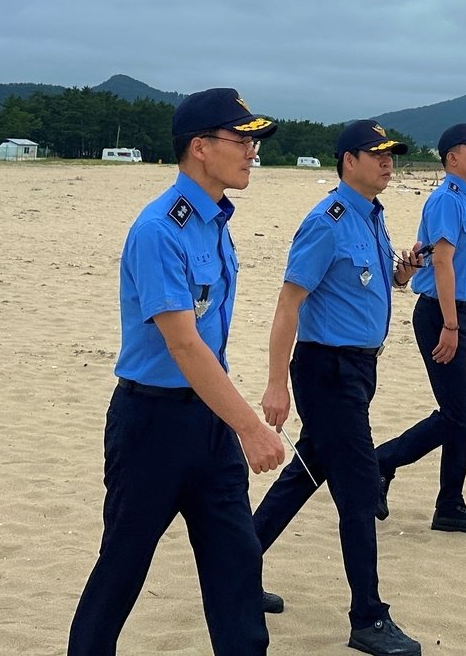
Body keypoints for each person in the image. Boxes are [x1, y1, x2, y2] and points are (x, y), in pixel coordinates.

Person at [68, 88, 285, 656]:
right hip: (152, 425)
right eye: (241, 140)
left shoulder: (213, 221)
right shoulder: (160, 229)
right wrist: (251, 427)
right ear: (200, 148)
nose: (252, 151)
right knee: (123, 563)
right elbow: (185, 347)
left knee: (237, 563)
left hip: (209, 425)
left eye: (253, 140)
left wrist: (229, 424)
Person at [252, 120, 423, 656]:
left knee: (307, 471)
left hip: (359, 370)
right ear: (349, 160)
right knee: (358, 486)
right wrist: (276, 384)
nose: (388, 163)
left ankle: (236, 562)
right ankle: (367, 618)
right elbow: (288, 304)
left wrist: (403, 273)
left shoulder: (372, 217)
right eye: (378, 155)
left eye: (392, 154)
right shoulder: (326, 221)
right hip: (325, 372)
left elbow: (368, 283)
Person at [376, 124, 466, 536]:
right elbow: (442, 264)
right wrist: (450, 324)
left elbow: (447, 262)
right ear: (451, 159)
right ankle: (380, 463)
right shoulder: (446, 200)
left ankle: (450, 505)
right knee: (457, 413)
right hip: (442, 314)